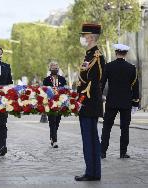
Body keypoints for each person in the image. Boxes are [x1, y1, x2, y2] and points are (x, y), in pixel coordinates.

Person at [75, 23, 105, 181]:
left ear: (92, 37)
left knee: (89, 138)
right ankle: (93, 172)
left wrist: (82, 98)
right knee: (91, 138)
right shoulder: (89, 55)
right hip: (86, 103)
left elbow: (96, 80)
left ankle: (92, 172)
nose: (82, 38)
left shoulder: (96, 56)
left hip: (89, 103)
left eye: (84, 36)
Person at [101, 44, 139, 159]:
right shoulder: (131, 68)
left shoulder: (108, 66)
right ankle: (123, 153)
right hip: (126, 102)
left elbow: (101, 83)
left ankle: (102, 152)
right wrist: (135, 102)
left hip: (111, 101)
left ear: (115, 53)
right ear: (125, 54)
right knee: (125, 128)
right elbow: (135, 86)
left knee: (107, 127)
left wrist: (98, 98)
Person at [43, 62, 67, 148]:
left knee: (57, 122)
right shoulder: (46, 80)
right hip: (50, 104)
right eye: (53, 68)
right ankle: (55, 140)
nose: (55, 69)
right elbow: (44, 91)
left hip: (60, 103)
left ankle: (52, 137)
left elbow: (65, 90)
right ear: (50, 69)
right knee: (52, 122)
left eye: (56, 68)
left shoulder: (62, 79)